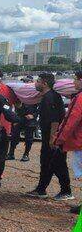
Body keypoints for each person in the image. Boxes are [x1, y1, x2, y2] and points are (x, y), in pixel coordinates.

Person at [26, 73, 74, 201]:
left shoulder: (50, 98)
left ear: (44, 83)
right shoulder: (47, 97)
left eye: (38, 81)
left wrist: (53, 138)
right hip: (49, 136)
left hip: (53, 137)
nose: (35, 83)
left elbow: (55, 120)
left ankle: (66, 191)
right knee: (46, 163)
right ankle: (41, 189)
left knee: (58, 164)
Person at [56, 71, 82, 214]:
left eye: (76, 80)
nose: (73, 83)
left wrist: (60, 139)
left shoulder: (80, 98)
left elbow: (71, 120)